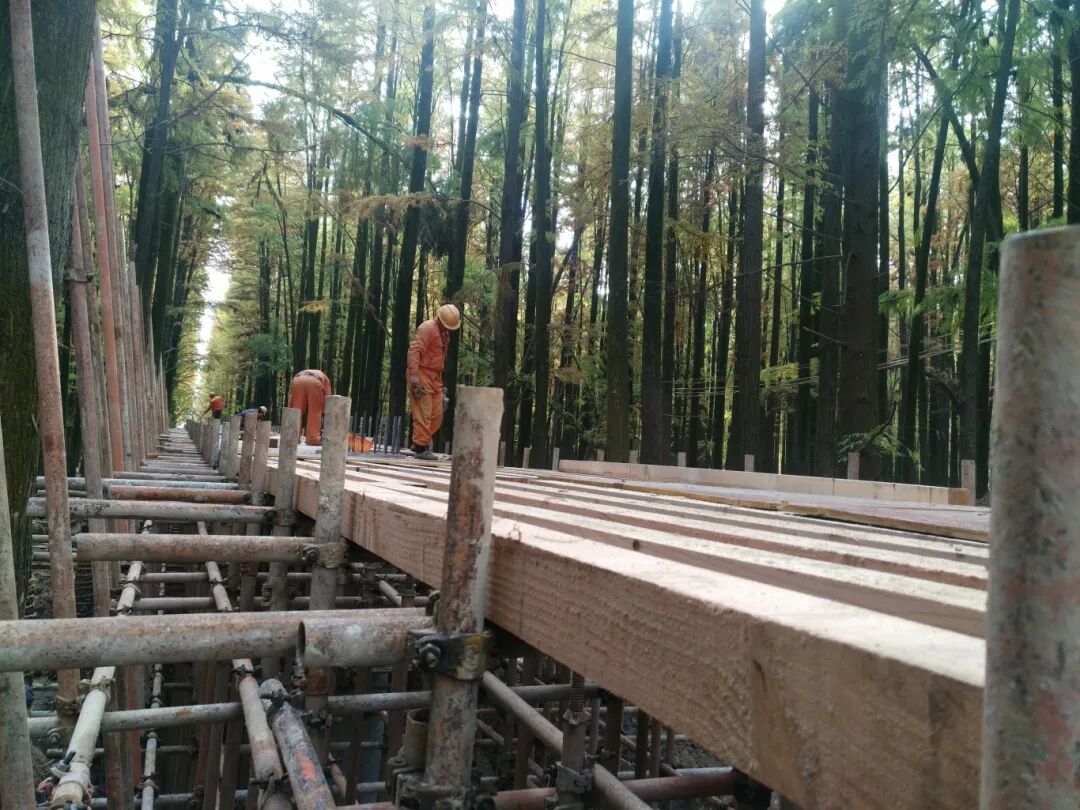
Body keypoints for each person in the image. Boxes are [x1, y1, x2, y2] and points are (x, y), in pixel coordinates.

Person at [407, 303, 460, 460]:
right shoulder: (427, 328)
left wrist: (440, 383)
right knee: (423, 413)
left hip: (435, 377)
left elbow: (439, 359)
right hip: (421, 373)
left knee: (437, 414)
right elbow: (414, 351)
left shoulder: (445, 335)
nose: (449, 329)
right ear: (440, 320)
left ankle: (418, 442)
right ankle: (421, 448)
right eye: (447, 326)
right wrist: (414, 378)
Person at [289, 369, 331, 445]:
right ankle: (313, 439)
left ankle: (292, 437)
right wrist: (324, 411)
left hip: (297, 380)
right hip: (314, 382)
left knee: (296, 411)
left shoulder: (308, 372)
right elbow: (329, 398)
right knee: (315, 412)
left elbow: (291, 404)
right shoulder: (326, 379)